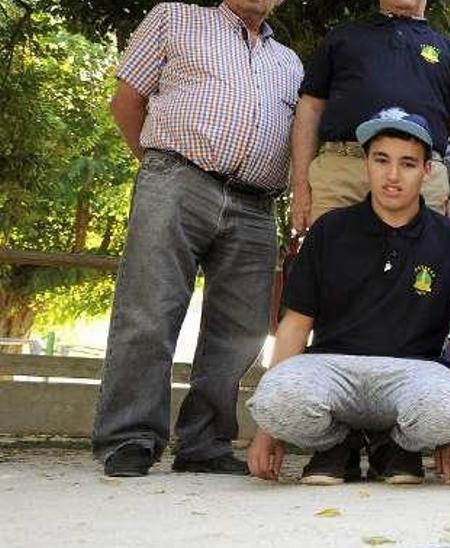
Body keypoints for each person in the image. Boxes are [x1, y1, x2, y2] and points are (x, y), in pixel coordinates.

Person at [93, 0, 303, 478]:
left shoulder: (289, 62)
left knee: (240, 330)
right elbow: (126, 102)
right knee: (149, 309)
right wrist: (157, 169)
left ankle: (204, 443)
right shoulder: (174, 17)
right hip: (177, 178)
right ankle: (130, 438)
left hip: (256, 202)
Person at [245, 109, 450, 486]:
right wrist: (266, 430)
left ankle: (395, 446)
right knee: (273, 400)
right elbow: (295, 325)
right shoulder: (330, 230)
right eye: (381, 160)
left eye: (408, 163)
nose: (393, 175)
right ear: (366, 163)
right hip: (333, 370)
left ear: (427, 171)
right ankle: (338, 445)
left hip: (412, 372)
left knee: (446, 411)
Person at [290, 0, 450, 231]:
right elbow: (310, 108)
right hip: (342, 174)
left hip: (423, 180)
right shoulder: (342, 38)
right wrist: (301, 188)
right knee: (333, 262)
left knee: (417, 263)